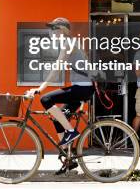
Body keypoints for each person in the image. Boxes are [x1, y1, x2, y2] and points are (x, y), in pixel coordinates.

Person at [27, 17, 94, 147]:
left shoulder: (68, 44)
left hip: (82, 88)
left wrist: (40, 89)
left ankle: (70, 131)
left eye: (54, 29)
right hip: (82, 88)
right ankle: (67, 160)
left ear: (62, 30)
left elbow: (57, 69)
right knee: (58, 119)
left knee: (46, 99)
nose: (51, 32)